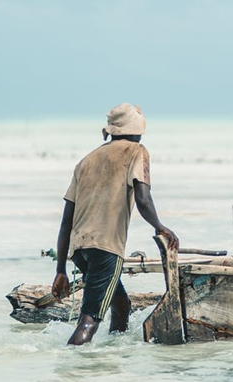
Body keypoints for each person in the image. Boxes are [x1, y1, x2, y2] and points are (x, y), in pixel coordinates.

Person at [51, 103, 180, 345]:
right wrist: (160, 227)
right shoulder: (136, 151)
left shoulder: (86, 160)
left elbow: (66, 221)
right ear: (136, 130)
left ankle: (114, 354)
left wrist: (60, 270)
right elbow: (143, 198)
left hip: (80, 249)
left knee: (121, 304)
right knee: (89, 321)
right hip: (106, 248)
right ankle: (71, 366)